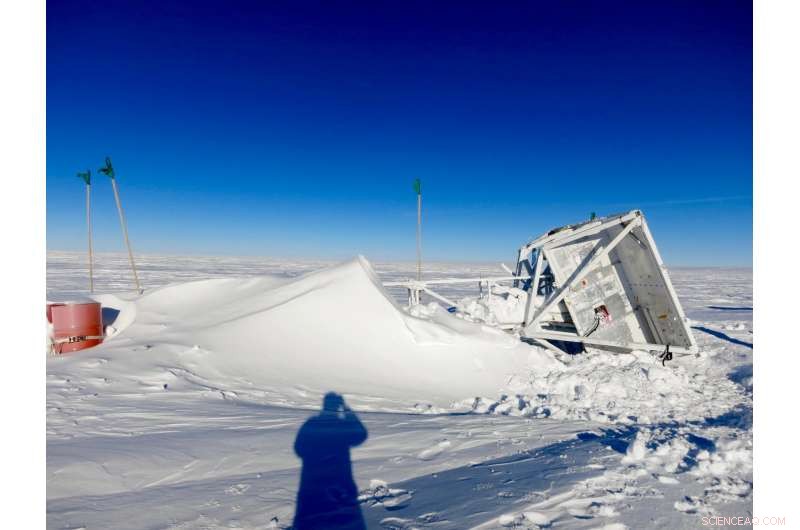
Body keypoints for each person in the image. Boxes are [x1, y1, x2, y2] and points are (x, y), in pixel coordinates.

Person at [293, 392, 368, 530]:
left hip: (313, 482)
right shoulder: (342, 426)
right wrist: (348, 411)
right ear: (338, 407)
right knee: (344, 519)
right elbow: (361, 435)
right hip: (341, 482)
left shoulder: (311, 424)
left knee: (312, 517)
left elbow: (299, 449)